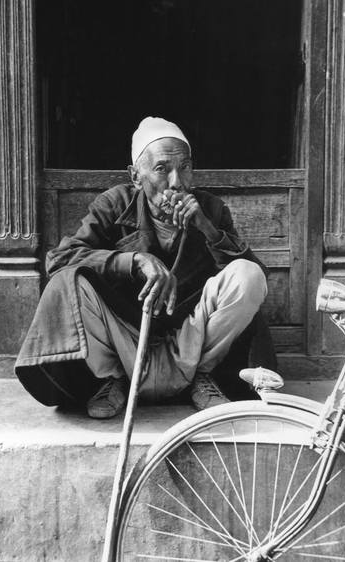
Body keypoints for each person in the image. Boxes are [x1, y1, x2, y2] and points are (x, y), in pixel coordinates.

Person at [15, 117, 273, 418]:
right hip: (127, 336)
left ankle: (201, 377)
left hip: (191, 336)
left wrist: (208, 230)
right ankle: (114, 379)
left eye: (185, 167)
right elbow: (59, 259)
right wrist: (133, 261)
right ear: (136, 176)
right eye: (162, 169)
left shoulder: (210, 209)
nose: (177, 182)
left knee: (247, 275)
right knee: (68, 282)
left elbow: (256, 283)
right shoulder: (114, 204)